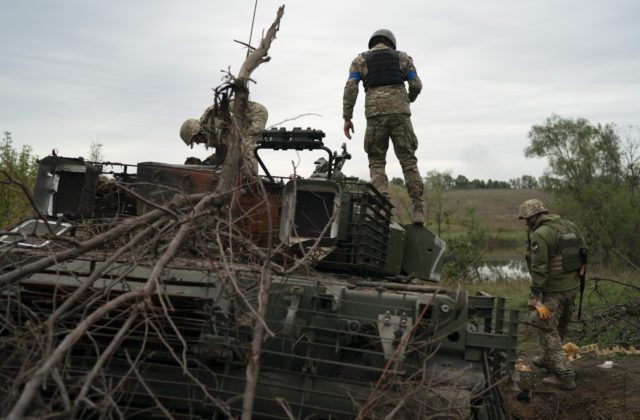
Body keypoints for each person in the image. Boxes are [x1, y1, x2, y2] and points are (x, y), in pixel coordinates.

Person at [342, 29, 424, 224]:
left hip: (375, 115)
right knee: (408, 161)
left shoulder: (360, 60)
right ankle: (418, 209)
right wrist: (406, 101)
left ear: (372, 44)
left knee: (377, 161)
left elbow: (351, 88)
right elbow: (416, 85)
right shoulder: (402, 57)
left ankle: (382, 206)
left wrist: (347, 117)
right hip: (400, 114)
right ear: (391, 44)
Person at [518, 199, 587, 390]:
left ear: (534, 216)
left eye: (526, 219)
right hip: (572, 287)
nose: (526, 223)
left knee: (547, 330)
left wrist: (533, 296)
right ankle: (550, 361)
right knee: (558, 328)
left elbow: (539, 269)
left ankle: (565, 375)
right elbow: (584, 251)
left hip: (553, 291)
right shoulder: (569, 226)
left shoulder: (541, 234)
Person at [180, 100, 268, 174]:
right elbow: (221, 152)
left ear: (197, 131)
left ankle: (251, 176)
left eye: (195, 139)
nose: (198, 143)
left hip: (255, 113)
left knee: (247, 144)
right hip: (242, 123)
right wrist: (205, 164)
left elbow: (229, 140)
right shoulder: (208, 132)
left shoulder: (211, 121)